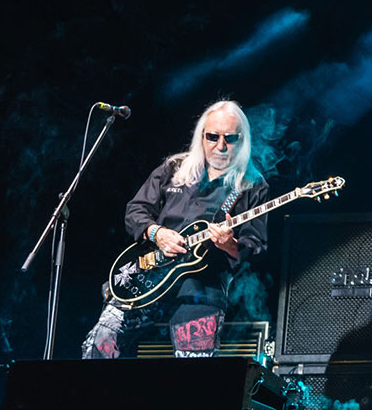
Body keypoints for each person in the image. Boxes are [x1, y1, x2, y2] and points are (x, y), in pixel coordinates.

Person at [82, 100, 269, 358]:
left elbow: (256, 245)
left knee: (192, 371)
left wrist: (230, 245)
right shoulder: (173, 168)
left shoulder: (251, 185)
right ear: (201, 136)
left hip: (200, 292)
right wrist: (157, 233)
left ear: (242, 140)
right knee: (98, 348)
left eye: (230, 138)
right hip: (144, 277)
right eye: (213, 137)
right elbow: (136, 210)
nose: (220, 146)